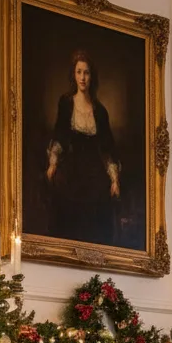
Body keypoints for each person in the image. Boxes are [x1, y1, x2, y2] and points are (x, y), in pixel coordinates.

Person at [45, 50, 120, 245]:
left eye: (86, 73)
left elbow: (107, 147)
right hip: (71, 164)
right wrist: (53, 163)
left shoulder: (100, 111)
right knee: (64, 199)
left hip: (94, 168)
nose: (82, 78)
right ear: (73, 74)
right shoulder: (66, 103)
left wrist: (114, 179)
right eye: (79, 72)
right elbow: (59, 135)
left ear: (91, 76)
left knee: (98, 206)